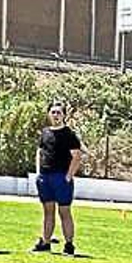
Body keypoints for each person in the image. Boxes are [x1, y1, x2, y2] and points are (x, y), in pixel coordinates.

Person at [33, 102, 84, 255]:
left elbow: (77, 156)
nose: (55, 115)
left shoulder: (69, 134)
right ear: (49, 114)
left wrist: (68, 176)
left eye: (58, 113)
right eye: (53, 112)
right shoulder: (45, 132)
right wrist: (38, 173)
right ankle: (46, 242)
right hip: (45, 177)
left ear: (63, 115)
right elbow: (39, 152)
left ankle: (69, 244)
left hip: (61, 178)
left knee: (64, 211)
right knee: (48, 211)